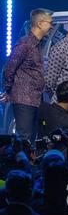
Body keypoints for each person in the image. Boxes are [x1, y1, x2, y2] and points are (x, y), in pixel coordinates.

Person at [2, 8, 53, 142]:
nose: (51, 26)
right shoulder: (25, 44)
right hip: (23, 98)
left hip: (36, 98)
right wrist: (10, 90)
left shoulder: (37, 45)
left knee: (32, 138)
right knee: (24, 138)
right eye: (49, 23)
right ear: (40, 23)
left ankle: (29, 161)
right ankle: (20, 162)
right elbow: (9, 69)